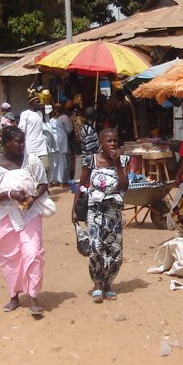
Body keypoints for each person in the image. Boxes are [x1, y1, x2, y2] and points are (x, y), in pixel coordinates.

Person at [0, 126, 49, 316]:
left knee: (33, 253)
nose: (21, 145)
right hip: (6, 216)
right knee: (11, 258)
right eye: (17, 142)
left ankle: (33, 296)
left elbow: (43, 183)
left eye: (22, 141)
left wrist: (33, 198)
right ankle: (14, 295)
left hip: (30, 214)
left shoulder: (32, 161)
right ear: (6, 143)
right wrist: (10, 194)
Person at [73, 128, 130, 303]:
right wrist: (74, 209)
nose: (113, 144)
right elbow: (81, 185)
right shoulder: (91, 161)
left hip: (113, 213)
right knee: (96, 248)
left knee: (115, 252)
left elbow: (124, 186)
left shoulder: (123, 160)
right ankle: (98, 284)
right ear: (101, 143)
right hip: (95, 212)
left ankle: (108, 283)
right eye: (109, 140)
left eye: (115, 140)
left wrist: (118, 164)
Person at [18, 94, 51, 178]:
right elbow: (21, 130)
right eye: (37, 102)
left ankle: (43, 187)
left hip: (41, 146)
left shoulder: (40, 114)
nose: (39, 103)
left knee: (46, 168)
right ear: (31, 104)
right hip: (30, 147)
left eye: (39, 102)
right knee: (31, 169)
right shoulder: (25, 114)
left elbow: (49, 109)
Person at [47, 104, 70, 186]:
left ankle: (53, 179)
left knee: (54, 161)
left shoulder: (51, 119)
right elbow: (69, 129)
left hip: (53, 141)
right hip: (61, 141)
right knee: (61, 161)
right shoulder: (64, 117)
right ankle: (61, 180)